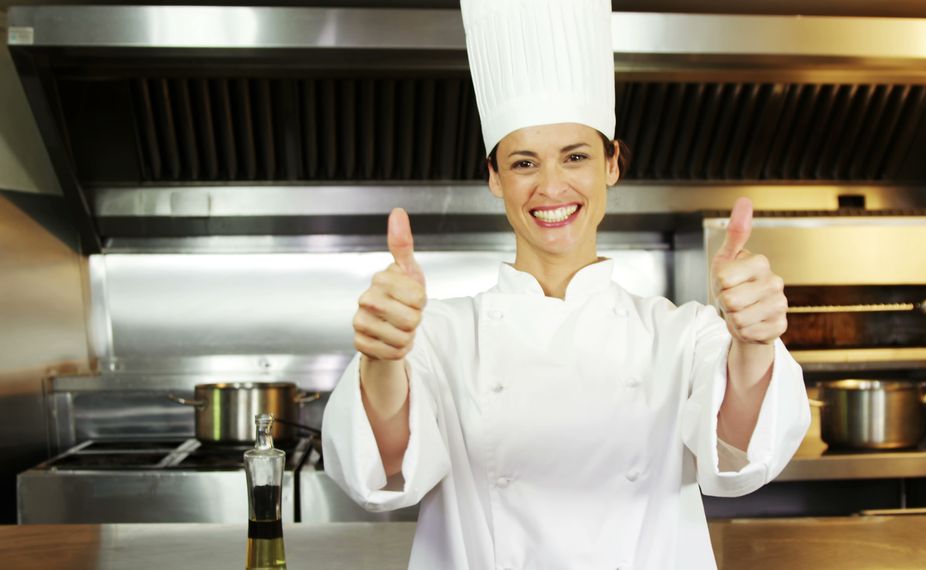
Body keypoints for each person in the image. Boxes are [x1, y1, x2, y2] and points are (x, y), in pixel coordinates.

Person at [321, 1, 811, 568]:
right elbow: (381, 474)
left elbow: (741, 456)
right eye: (524, 163)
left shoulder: (684, 334)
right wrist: (381, 360)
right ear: (494, 179)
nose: (550, 187)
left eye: (574, 156)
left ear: (612, 165)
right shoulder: (437, 337)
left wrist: (752, 346)